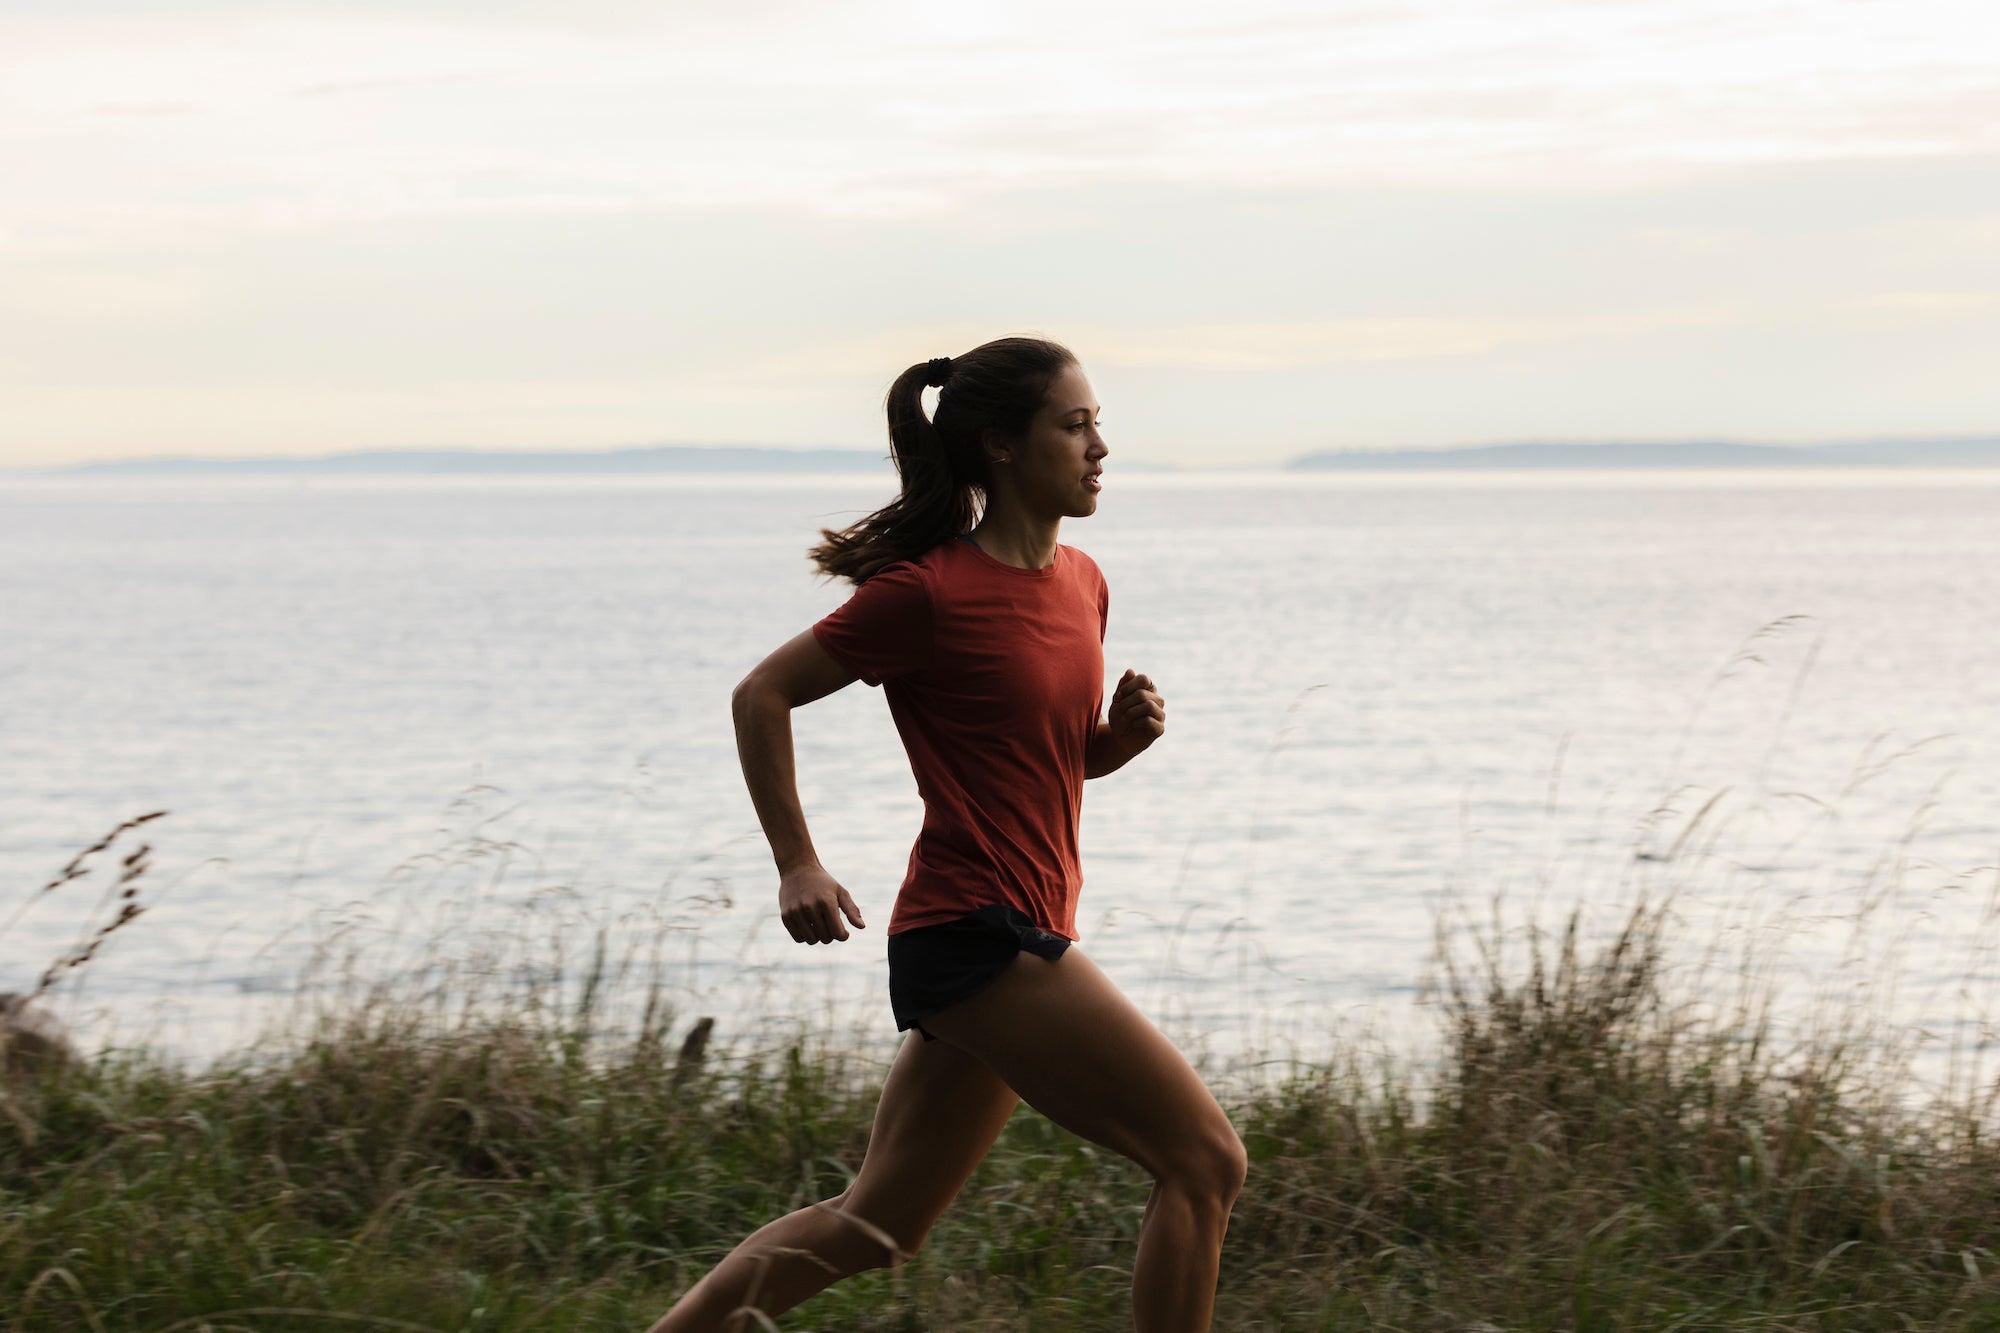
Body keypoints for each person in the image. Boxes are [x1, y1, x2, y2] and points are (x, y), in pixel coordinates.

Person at [646, 336, 1246, 1333]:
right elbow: (763, 693)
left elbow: (1044, 761)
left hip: (1002, 931)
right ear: (1002, 445)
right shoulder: (927, 591)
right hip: (978, 933)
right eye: (1074, 423)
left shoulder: (1083, 581)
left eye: (1098, 423)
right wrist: (796, 859)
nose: (1099, 446)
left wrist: (1116, 744)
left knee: (877, 1224)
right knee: (1203, 1158)